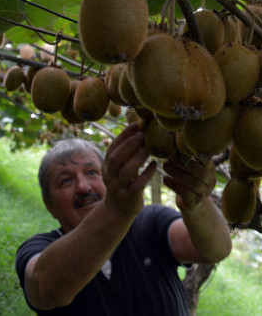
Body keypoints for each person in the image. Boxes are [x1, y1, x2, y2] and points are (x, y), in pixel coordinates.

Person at [15, 122, 232, 315]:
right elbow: (46, 289)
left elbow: (215, 250)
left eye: (92, 172)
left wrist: (198, 205)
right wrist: (115, 211)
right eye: (65, 181)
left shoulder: (151, 221)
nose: (83, 186)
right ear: (49, 205)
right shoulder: (38, 248)